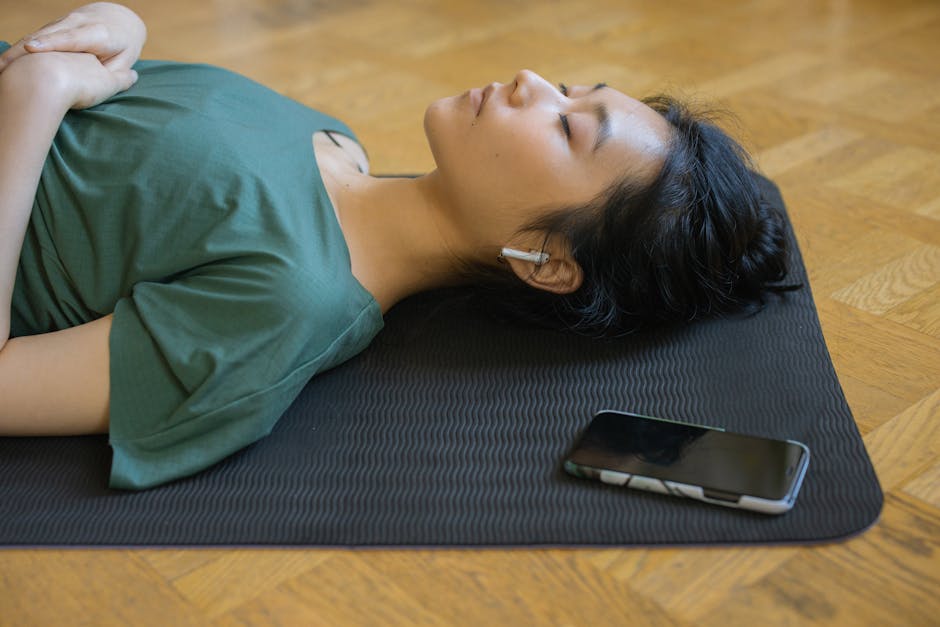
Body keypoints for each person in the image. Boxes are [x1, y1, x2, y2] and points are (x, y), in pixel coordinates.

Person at [0, 3, 794, 489]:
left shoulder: (284, 305)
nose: (528, 79)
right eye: (570, 85)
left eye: (565, 125)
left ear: (548, 259)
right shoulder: (334, 140)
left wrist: (33, 100)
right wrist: (122, 34)